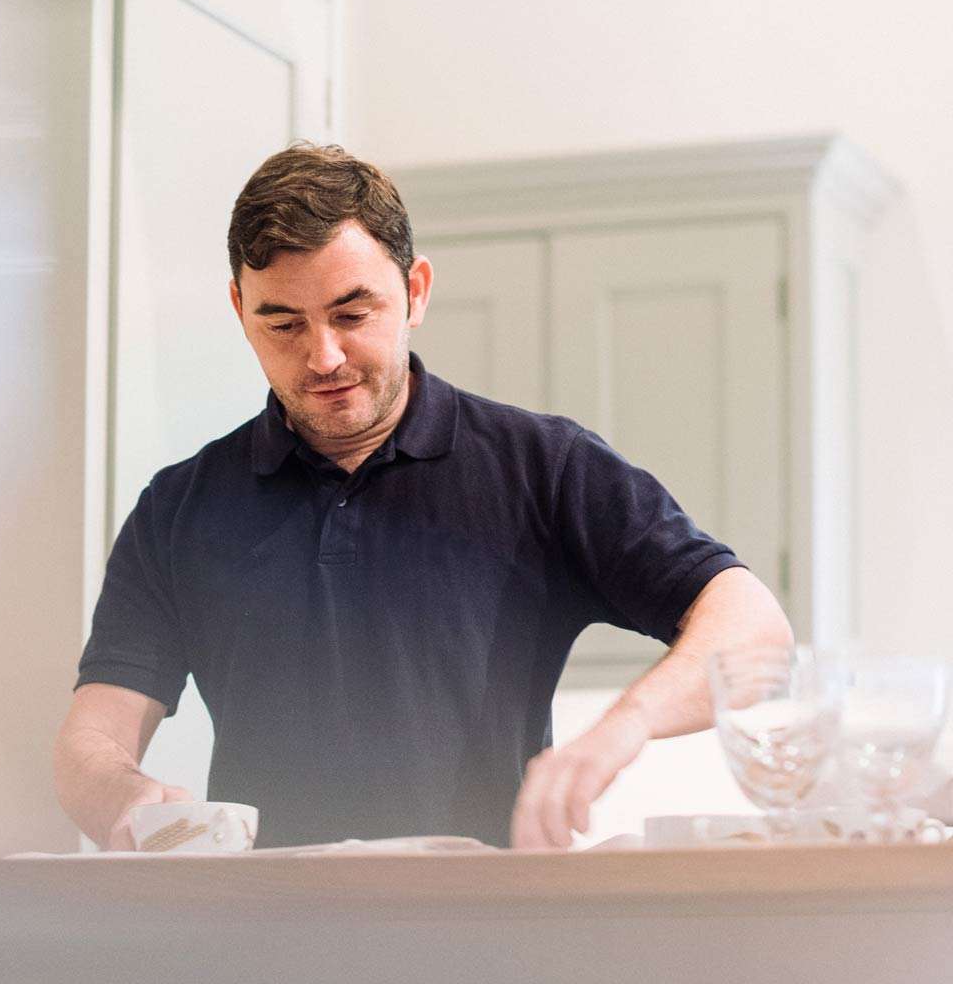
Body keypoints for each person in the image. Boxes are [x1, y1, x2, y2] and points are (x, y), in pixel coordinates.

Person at [54, 143, 792, 852]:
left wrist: (623, 725)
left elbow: (757, 631)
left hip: (485, 935)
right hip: (267, 938)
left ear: (415, 293)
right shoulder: (179, 507)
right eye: (282, 323)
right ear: (239, 311)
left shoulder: (543, 467)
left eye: (352, 313)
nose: (324, 357)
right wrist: (122, 795)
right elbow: (93, 738)